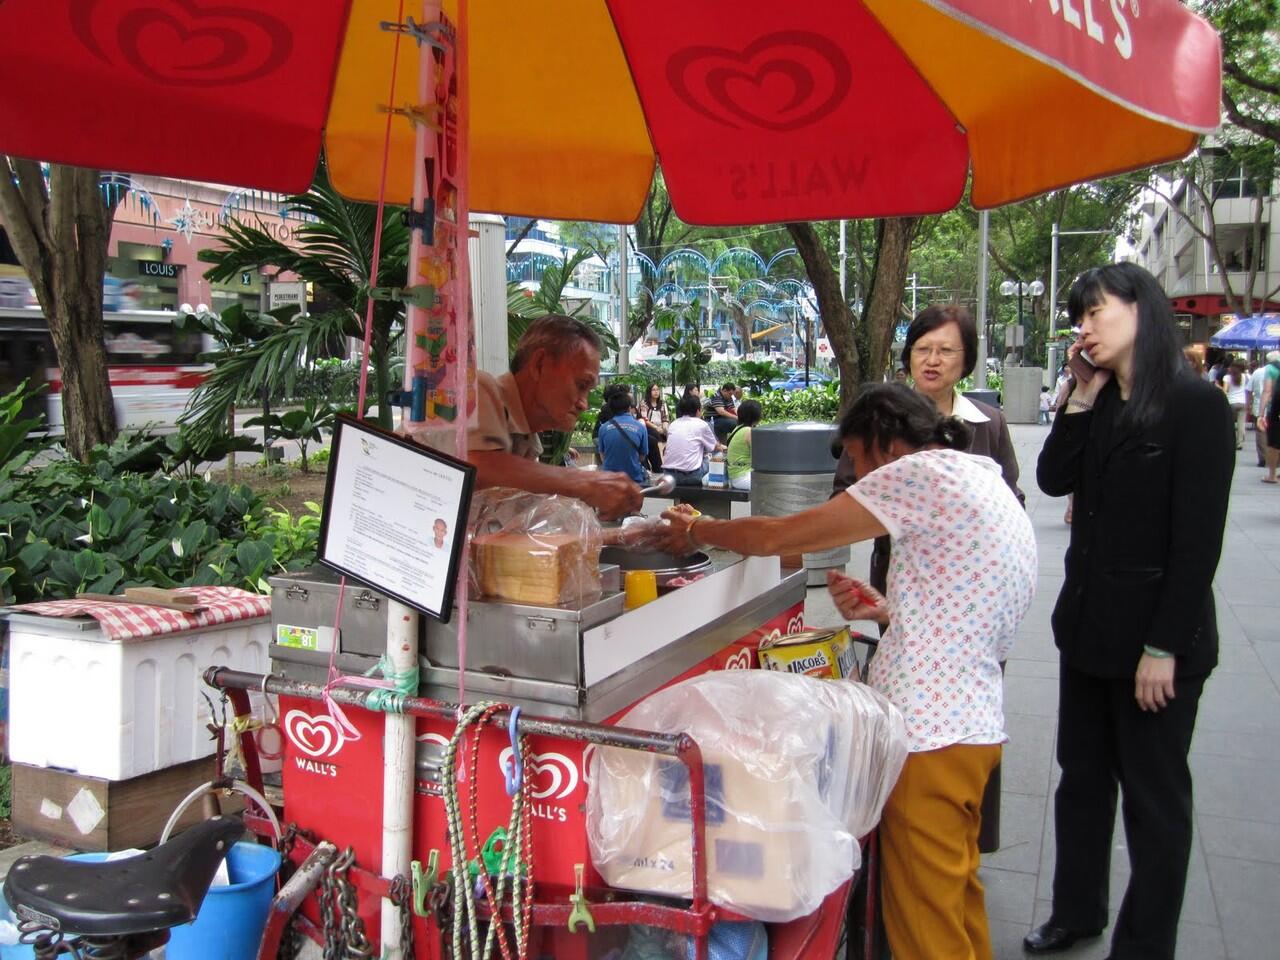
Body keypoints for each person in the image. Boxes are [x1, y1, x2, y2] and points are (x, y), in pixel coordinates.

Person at [655, 385, 1036, 960]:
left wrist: (695, 530)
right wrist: (889, 612)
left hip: (930, 736)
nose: (856, 473)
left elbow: (781, 536)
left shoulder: (918, 474)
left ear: (884, 442)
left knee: (922, 927)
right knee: (956, 901)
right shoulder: (980, 475)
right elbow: (978, 602)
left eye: (857, 457)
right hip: (974, 728)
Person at [1026, 263, 1234, 960]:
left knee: (1155, 803)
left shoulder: (1194, 405)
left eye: (1095, 312)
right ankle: (1076, 911)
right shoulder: (1100, 399)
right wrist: (1078, 398)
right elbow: (1053, 478)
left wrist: (1164, 647)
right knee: (1081, 781)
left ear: (1141, 312)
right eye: (1079, 316)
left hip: (1155, 644)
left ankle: (1145, 945)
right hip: (1086, 631)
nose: (1083, 327)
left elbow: (1198, 541)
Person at [833, 304, 1023, 853]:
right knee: (909, 702)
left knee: (961, 717)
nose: (932, 360)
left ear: (966, 362)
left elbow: (1009, 497)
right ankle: (913, 836)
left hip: (969, 599)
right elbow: (847, 494)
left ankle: (953, 839)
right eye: (922, 349)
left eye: (946, 351)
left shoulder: (987, 425)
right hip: (901, 587)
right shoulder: (881, 417)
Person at [467, 314, 642, 519]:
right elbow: (475, 468)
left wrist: (628, 536)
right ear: (540, 364)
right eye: (581, 385)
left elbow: (518, 534)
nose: (583, 404)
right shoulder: (479, 389)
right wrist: (584, 482)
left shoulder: (528, 444)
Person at [662, 393, 721, 485]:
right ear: (698, 411)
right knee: (718, 454)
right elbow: (715, 447)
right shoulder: (702, 424)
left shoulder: (673, 424)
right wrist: (722, 448)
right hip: (692, 476)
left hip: (668, 475)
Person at [596, 389, 650, 484]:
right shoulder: (640, 427)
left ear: (611, 409)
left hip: (609, 478)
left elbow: (603, 457)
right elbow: (642, 456)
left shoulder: (603, 428)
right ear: (629, 408)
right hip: (633, 477)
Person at [725, 399, 762, 490]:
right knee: (775, 484)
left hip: (737, 475)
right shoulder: (748, 431)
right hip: (742, 477)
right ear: (755, 415)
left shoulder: (738, 428)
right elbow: (759, 456)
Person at [1257, 350, 1280, 480]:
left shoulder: (1270, 369)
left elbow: (1267, 391)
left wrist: (1261, 414)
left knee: (1273, 443)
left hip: (1276, 409)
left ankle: (1272, 475)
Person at [637, 382, 669, 473]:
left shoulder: (662, 403)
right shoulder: (644, 403)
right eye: (653, 390)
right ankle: (659, 464)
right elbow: (644, 419)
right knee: (656, 436)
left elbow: (665, 418)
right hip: (648, 427)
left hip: (661, 427)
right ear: (649, 392)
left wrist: (665, 428)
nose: (656, 392)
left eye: (657, 390)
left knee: (670, 434)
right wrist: (656, 428)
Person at [1218, 358, 1247, 449]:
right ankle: (1239, 443)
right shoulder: (1245, 377)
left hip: (1231, 403)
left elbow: (1225, 390)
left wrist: (1219, 387)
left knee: (1230, 423)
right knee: (1241, 424)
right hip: (1242, 402)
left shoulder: (1227, 377)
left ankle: (1230, 441)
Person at [1246, 357, 1267, 466]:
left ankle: (1263, 458)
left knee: (1261, 433)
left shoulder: (1258, 372)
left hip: (1259, 407)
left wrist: (1248, 405)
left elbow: (1249, 390)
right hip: (1275, 408)